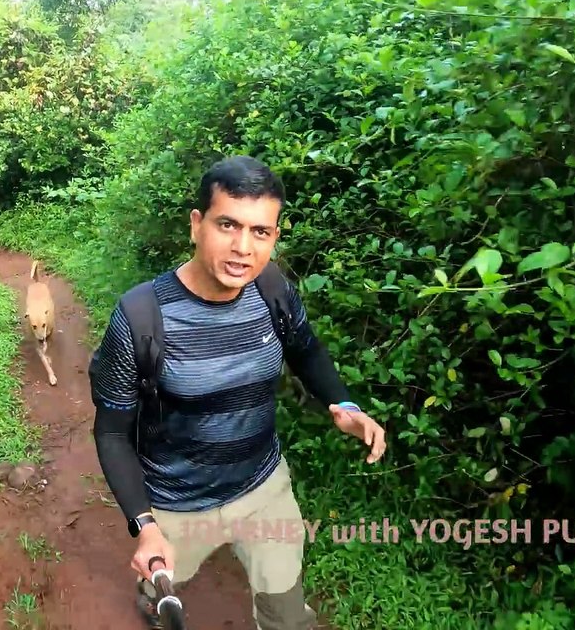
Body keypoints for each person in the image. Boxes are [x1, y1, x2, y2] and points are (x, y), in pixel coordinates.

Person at [88, 155, 387, 630]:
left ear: (274, 237)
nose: (243, 248)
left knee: (287, 616)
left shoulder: (272, 290)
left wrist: (343, 404)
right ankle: (153, 596)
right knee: (160, 591)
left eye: (260, 232)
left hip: (264, 488)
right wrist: (144, 527)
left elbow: (306, 349)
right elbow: (111, 432)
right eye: (228, 225)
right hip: (176, 505)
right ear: (196, 225)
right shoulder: (141, 317)